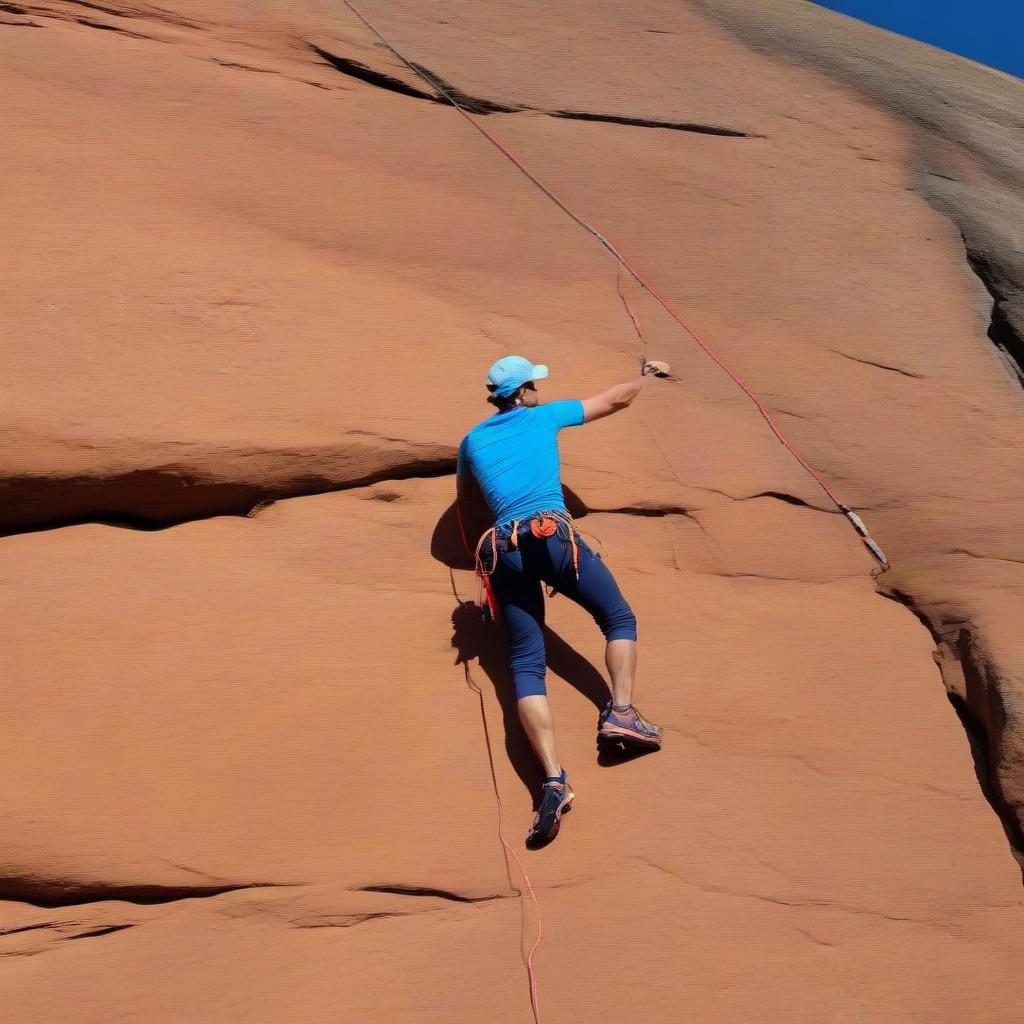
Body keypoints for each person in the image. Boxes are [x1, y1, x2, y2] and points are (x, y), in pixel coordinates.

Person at [456, 354, 671, 847]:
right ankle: (620, 713)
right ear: (524, 391)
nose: (539, 389)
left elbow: (469, 500)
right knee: (617, 616)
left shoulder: (472, 441)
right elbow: (614, 400)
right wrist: (648, 376)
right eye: (535, 383)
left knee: (526, 664)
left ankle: (553, 779)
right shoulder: (541, 416)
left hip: (500, 549)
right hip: (550, 536)